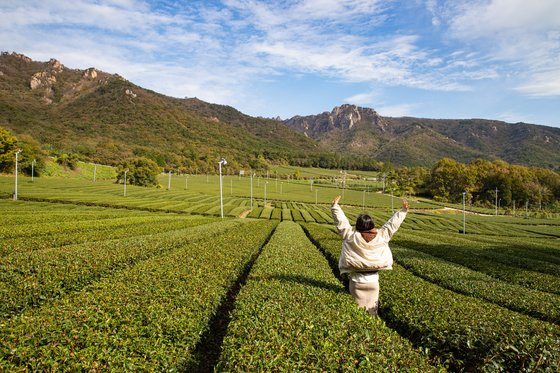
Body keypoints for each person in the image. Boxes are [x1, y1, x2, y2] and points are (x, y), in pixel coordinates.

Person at [331, 195, 409, 316]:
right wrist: (403, 211)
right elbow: (392, 225)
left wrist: (335, 207)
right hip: (373, 281)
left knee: (357, 313)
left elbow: (341, 222)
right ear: (372, 225)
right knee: (372, 313)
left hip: (356, 281)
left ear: (357, 225)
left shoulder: (350, 236)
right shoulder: (381, 236)